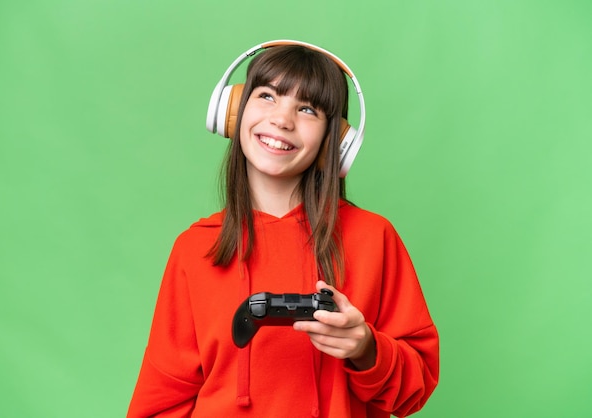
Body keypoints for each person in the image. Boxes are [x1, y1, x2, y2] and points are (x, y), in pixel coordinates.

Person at [127, 41, 439, 418]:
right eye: (268, 96)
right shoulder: (195, 248)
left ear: (335, 140)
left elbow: (413, 392)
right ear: (233, 111)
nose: (282, 120)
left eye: (307, 108)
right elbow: (160, 402)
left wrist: (366, 348)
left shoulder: (374, 238)